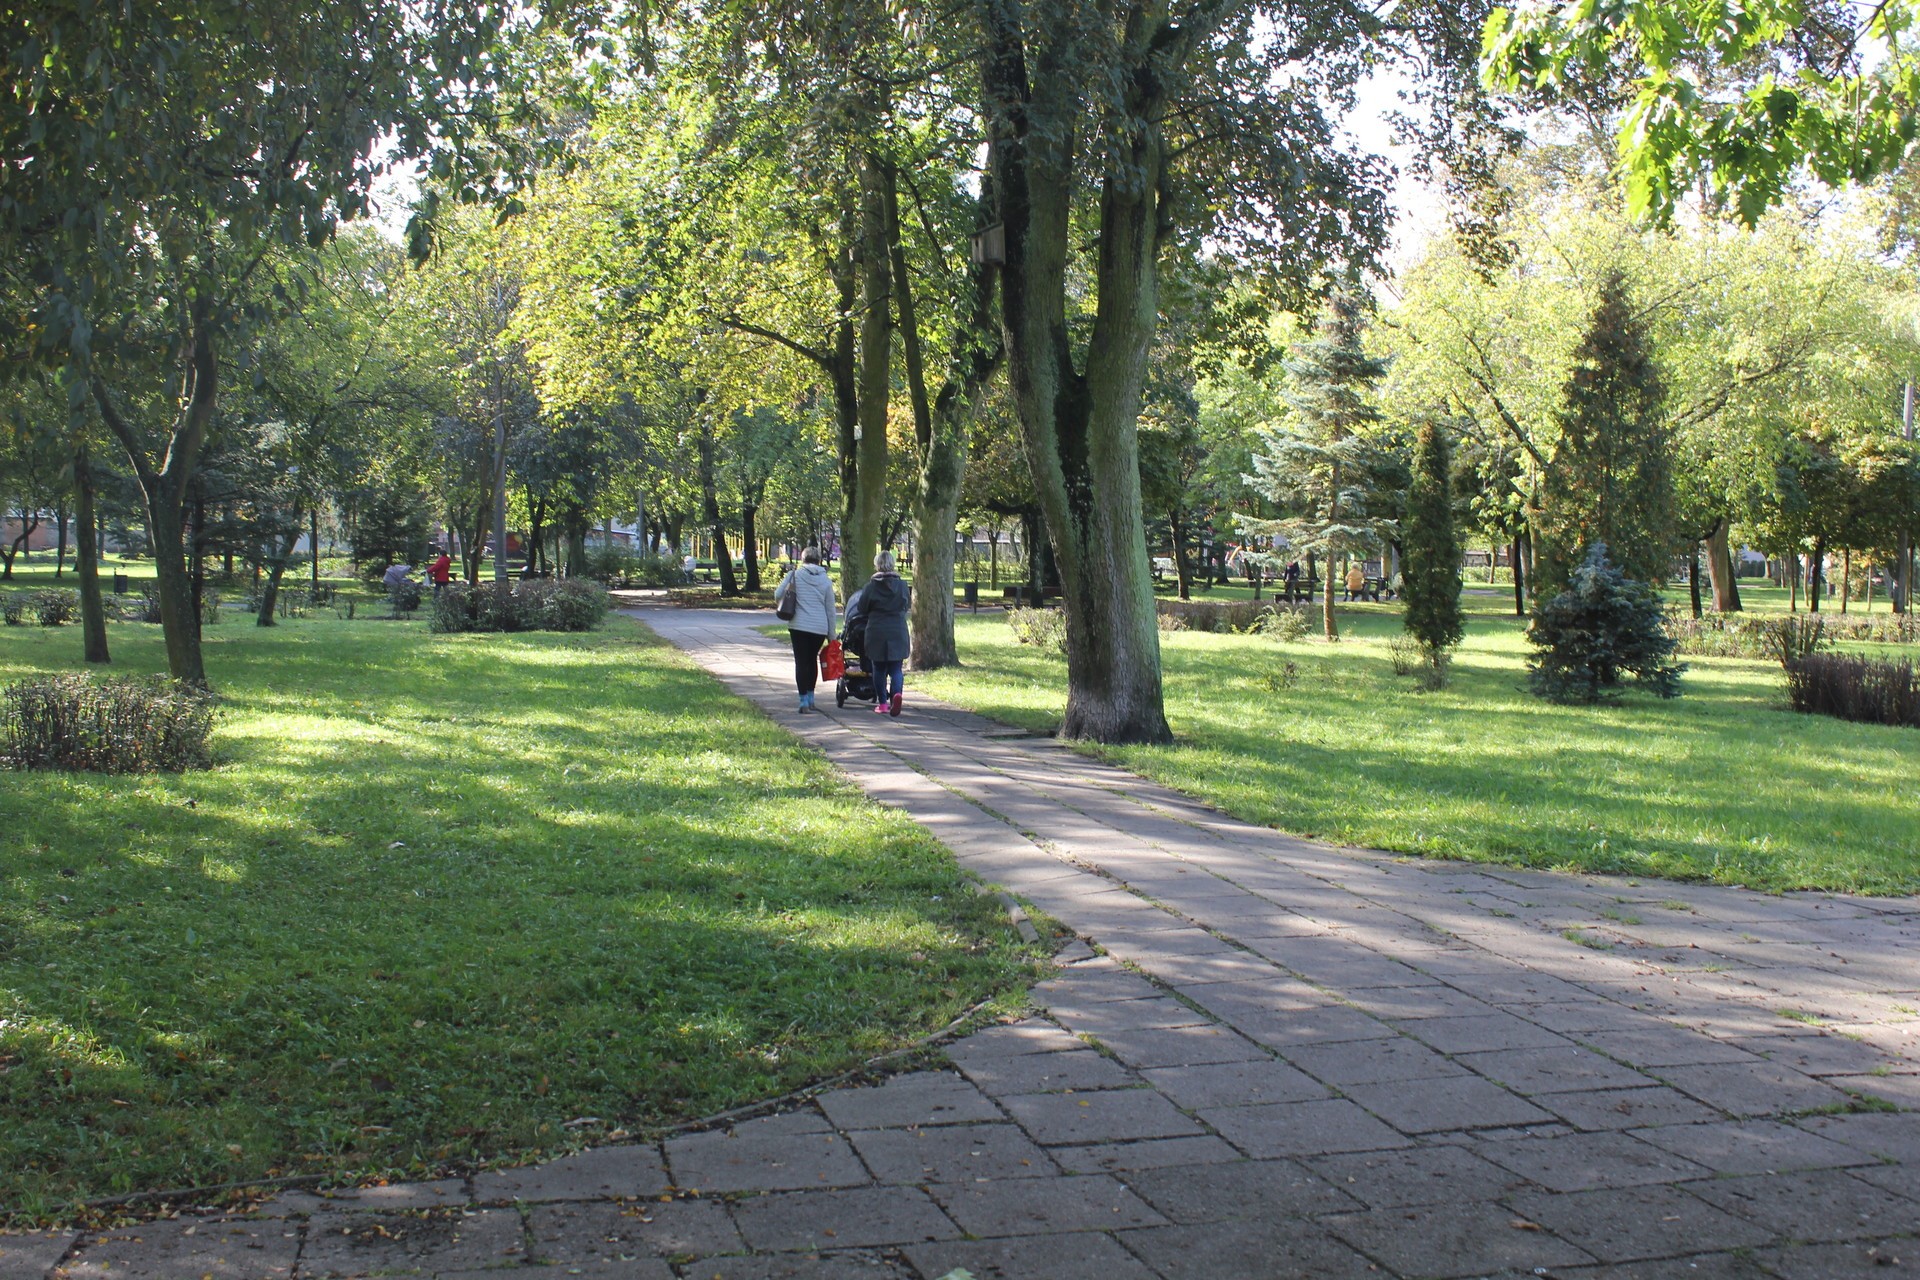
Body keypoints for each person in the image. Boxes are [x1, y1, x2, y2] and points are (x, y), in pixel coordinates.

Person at [773, 547, 838, 712]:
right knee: (812, 661)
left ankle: (803, 702)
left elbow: (778, 595)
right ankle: (811, 698)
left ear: (803, 559)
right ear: (819, 560)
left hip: (799, 626)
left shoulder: (794, 575)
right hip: (819, 628)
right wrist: (832, 635)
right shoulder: (826, 581)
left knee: (801, 662)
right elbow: (830, 610)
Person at [846, 550, 911, 716]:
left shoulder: (871, 587)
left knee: (879, 668)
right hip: (898, 630)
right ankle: (896, 695)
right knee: (896, 669)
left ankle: (882, 703)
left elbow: (862, 608)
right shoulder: (902, 586)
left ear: (877, 565)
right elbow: (906, 605)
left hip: (876, 631)